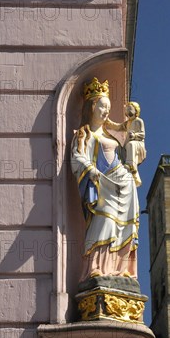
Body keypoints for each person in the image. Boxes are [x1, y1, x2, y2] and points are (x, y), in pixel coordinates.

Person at [71, 77, 139, 281]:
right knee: (104, 224)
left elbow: (131, 154)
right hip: (101, 185)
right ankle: (97, 268)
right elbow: (77, 156)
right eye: (102, 106)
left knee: (126, 227)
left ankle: (123, 269)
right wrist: (90, 169)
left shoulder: (112, 136)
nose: (106, 111)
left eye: (108, 107)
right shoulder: (84, 134)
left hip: (124, 187)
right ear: (92, 107)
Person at [106, 101, 146, 187]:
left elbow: (143, 134)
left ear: (136, 111)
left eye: (130, 108)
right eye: (127, 109)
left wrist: (134, 135)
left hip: (138, 145)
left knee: (130, 145)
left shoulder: (139, 121)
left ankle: (130, 166)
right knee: (119, 148)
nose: (128, 110)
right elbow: (117, 127)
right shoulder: (127, 123)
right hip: (128, 146)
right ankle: (131, 172)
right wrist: (108, 122)